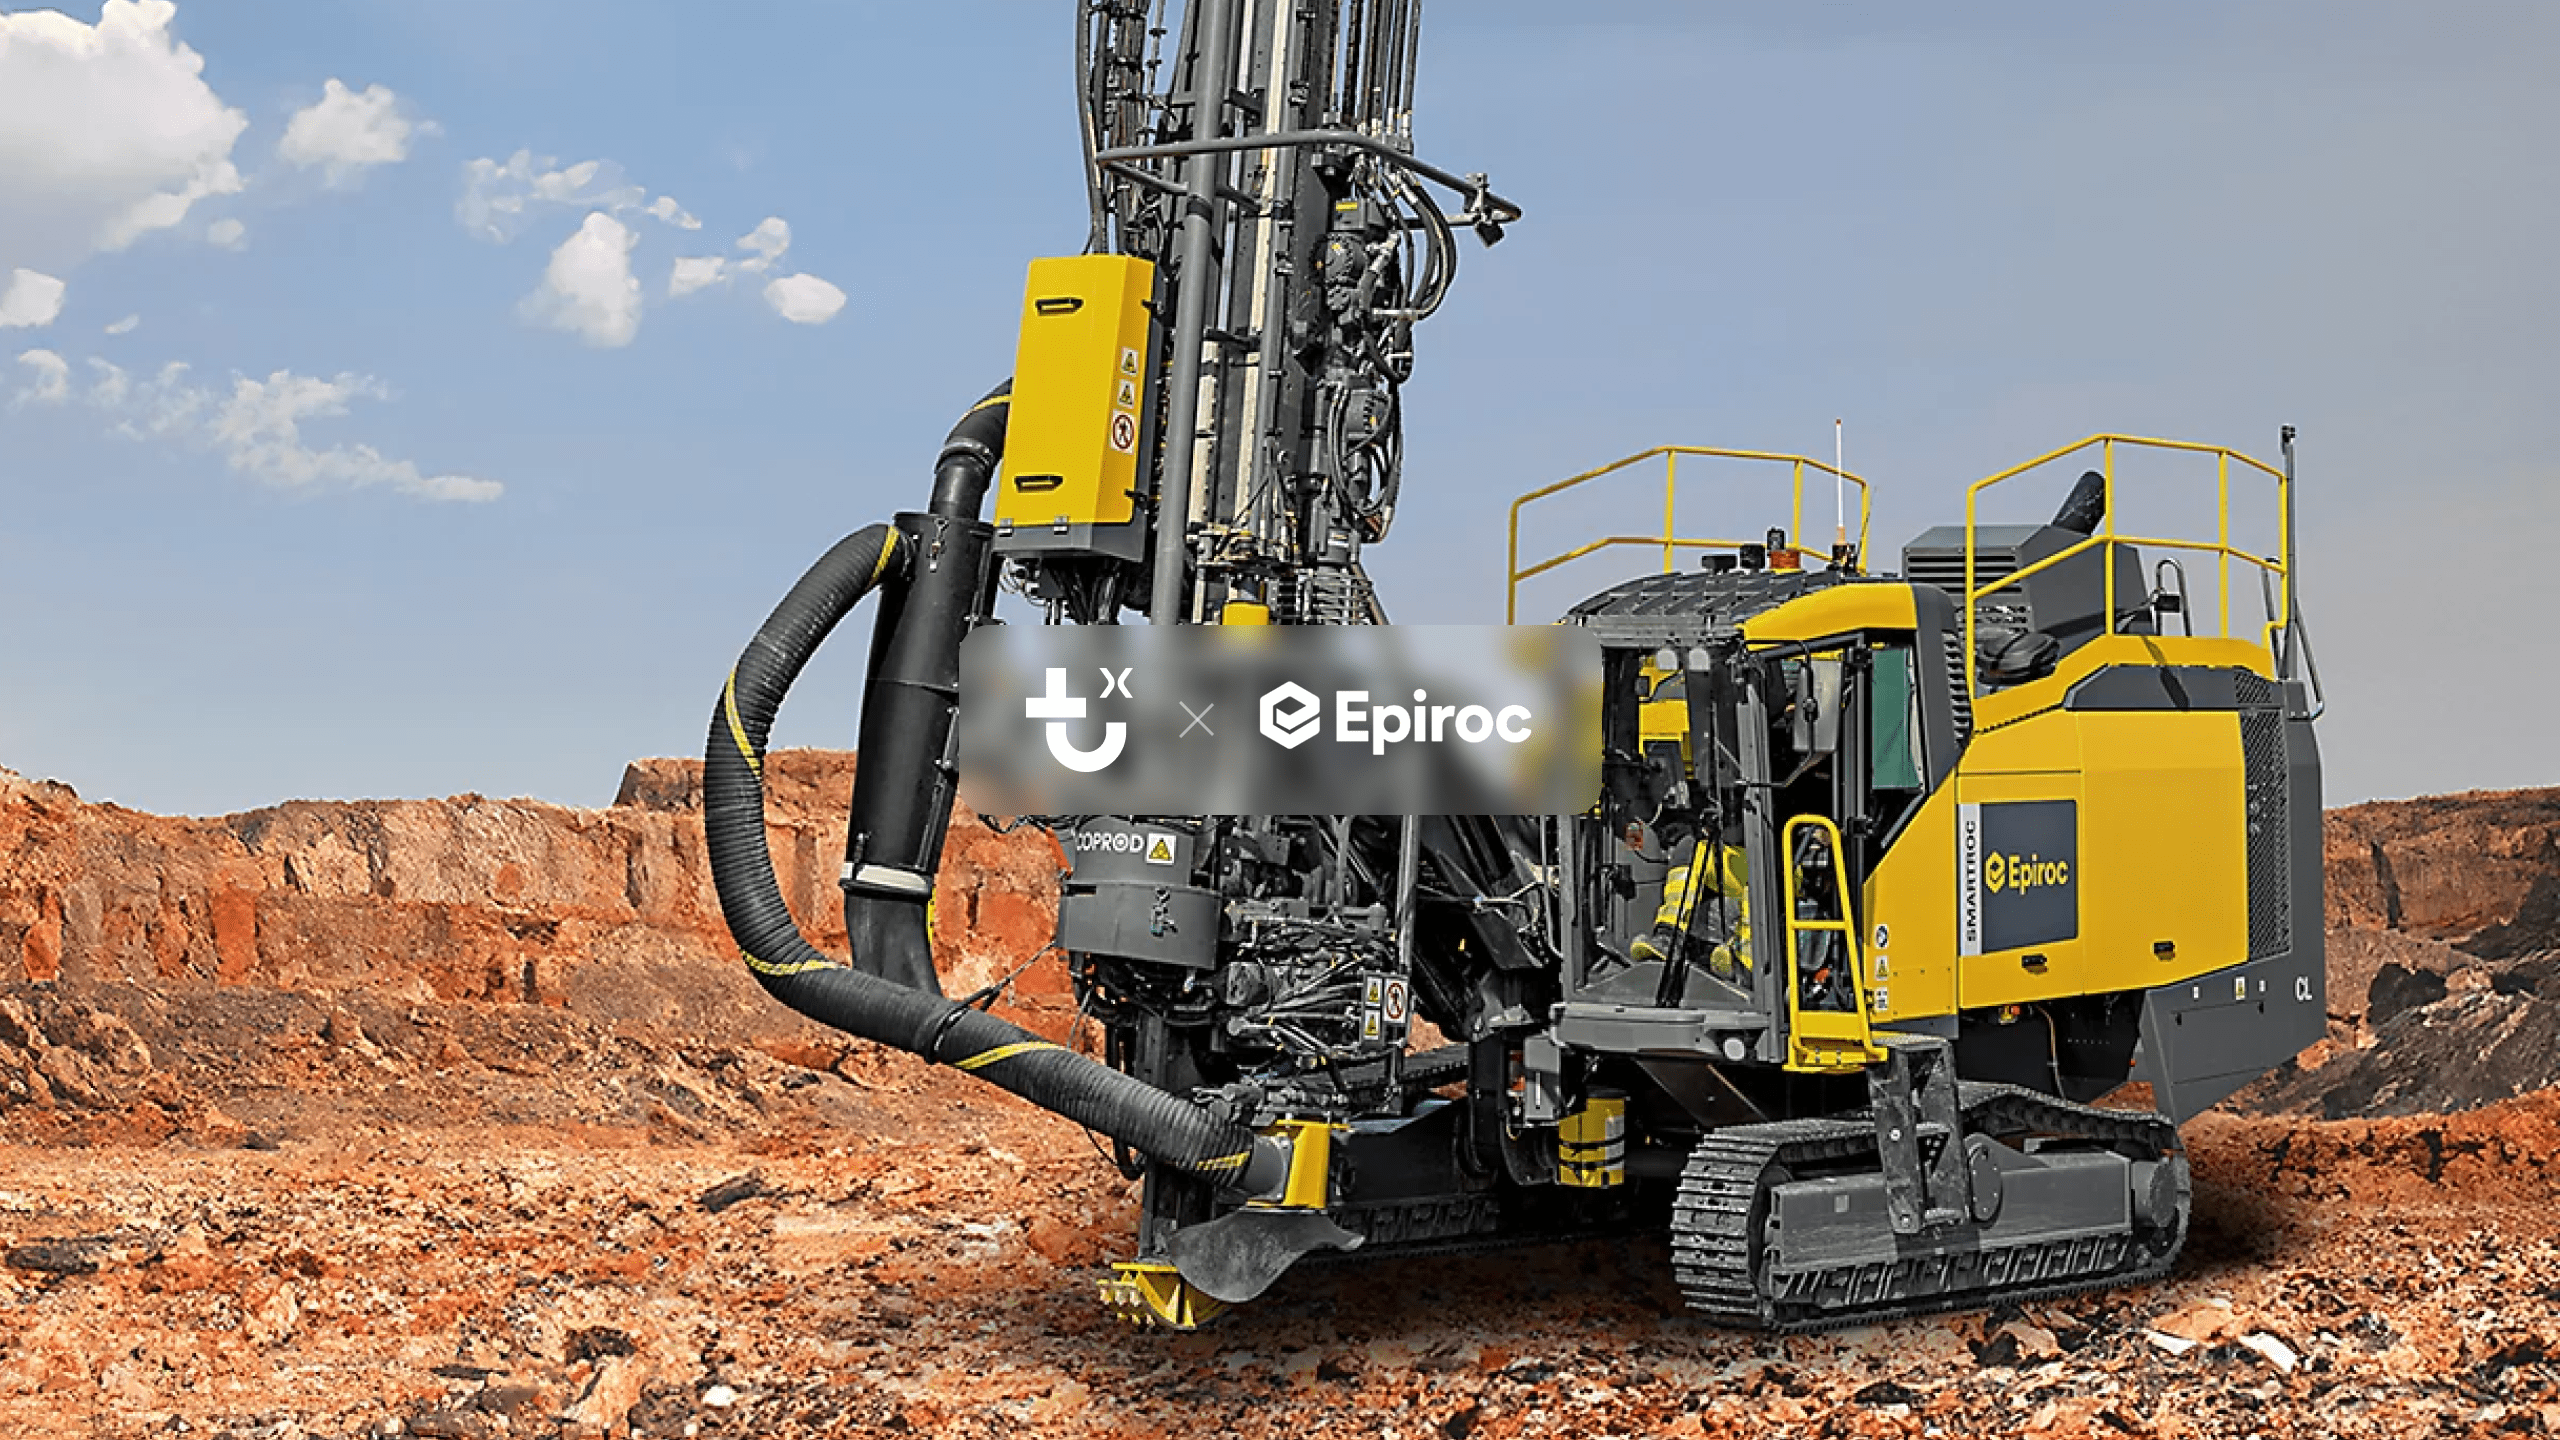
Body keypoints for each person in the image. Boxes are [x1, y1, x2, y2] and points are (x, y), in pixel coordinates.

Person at [1630, 831, 1750, 981]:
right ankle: (1669, 936)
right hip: (1743, 861)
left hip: (1773, 867)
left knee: (1761, 871)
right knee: (1690, 848)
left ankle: (1746, 965)